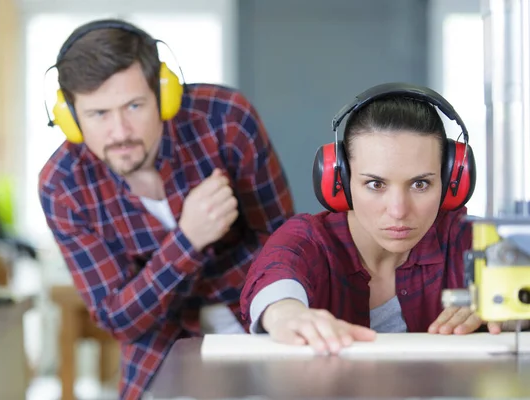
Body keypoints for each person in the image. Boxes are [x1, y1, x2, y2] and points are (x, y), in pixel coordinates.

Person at [38, 19, 294, 399]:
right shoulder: (63, 186)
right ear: (70, 118)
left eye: (134, 105)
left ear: (163, 93)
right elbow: (119, 319)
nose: (120, 131)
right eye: (98, 114)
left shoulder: (225, 121)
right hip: (157, 346)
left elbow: (284, 250)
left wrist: (155, 283)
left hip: (259, 317)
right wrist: (188, 241)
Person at [240, 82, 526, 356]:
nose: (398, 210)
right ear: (341, 181)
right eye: (376, 184)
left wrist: (516, 311)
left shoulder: (470, 239)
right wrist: (287, 313)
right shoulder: (308, 239)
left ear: (451, 182)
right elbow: (276, 278)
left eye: (420, 184)